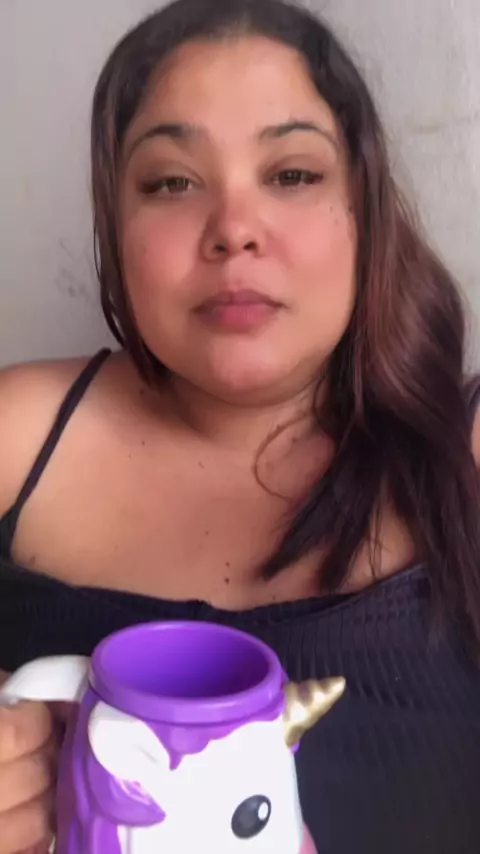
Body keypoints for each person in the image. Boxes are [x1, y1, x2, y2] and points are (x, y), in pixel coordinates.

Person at [1, 0, 480, 851]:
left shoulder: (466, 447)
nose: (233, 231)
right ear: (115, 225)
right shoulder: (17, 432)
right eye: (171, 183)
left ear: (362, 209)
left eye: (292, 174)